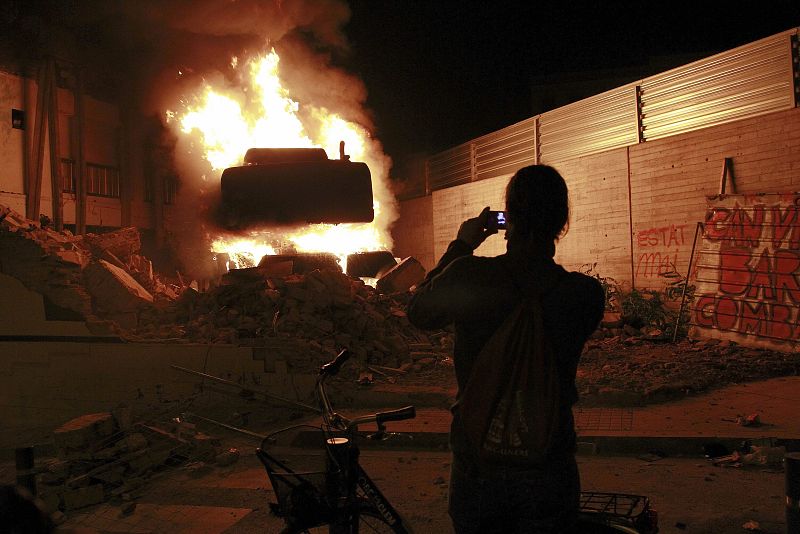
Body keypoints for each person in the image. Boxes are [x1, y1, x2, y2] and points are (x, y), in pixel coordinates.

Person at [407, 165, 605, 533]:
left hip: (478, 463)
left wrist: (462, 245)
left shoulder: (469, 275)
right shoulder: (584, 295)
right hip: (548, 464)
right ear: (561, 222)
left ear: (507, 219)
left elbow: (418, 311)